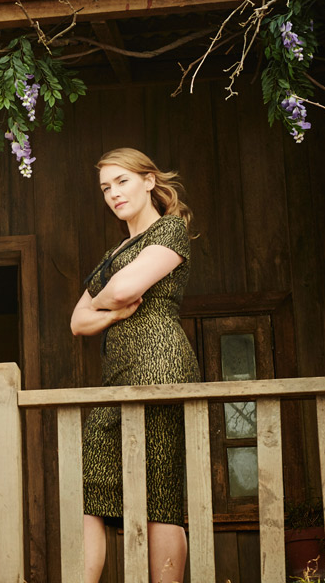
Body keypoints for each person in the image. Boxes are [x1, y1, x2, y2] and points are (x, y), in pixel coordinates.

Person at [70, 148, 199, 583]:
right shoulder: (116, 250)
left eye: (122, 181)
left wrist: (104, 301)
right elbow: (78, 322)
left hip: (160, 362)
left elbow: (125, 289)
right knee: (90, 485)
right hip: (119, 374)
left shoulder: (170, 230)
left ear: (149, 181)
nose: (113, 193)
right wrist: (113, 311)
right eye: (105, 187)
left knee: (160, 494)